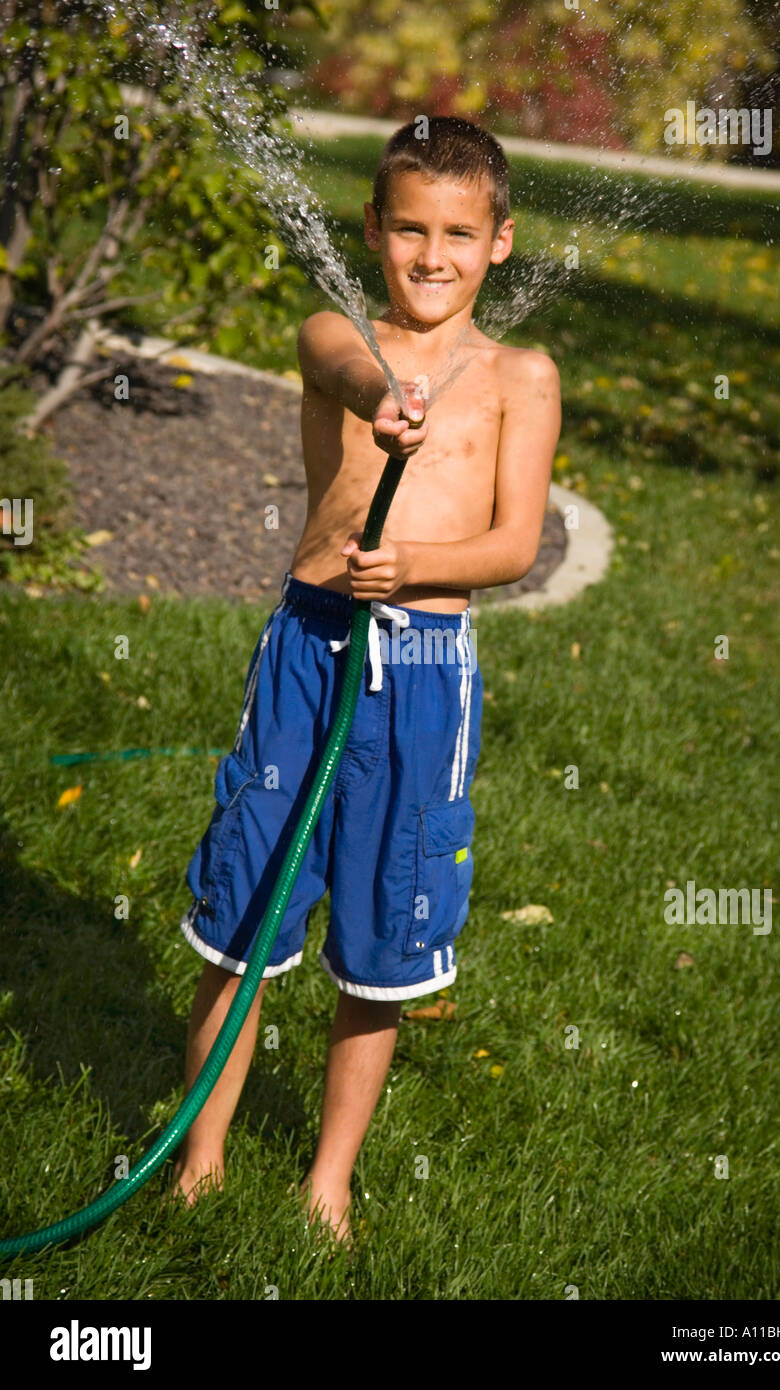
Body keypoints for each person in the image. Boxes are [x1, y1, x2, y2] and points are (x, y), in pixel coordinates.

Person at [171, 116, 561, 1248]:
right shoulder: (336, 338)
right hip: (311, 648)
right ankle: (199, 1158)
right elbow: (339, 365)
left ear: (499, 241)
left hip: (425, 673)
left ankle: (328, 1180)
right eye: (407, 230)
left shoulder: (519, 376)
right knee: (246, 908)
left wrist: (420, 566)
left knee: (386, 941)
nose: (430, 255)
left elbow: (514, 542)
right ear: (373, 232)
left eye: (456, 232)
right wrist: (378, 394)